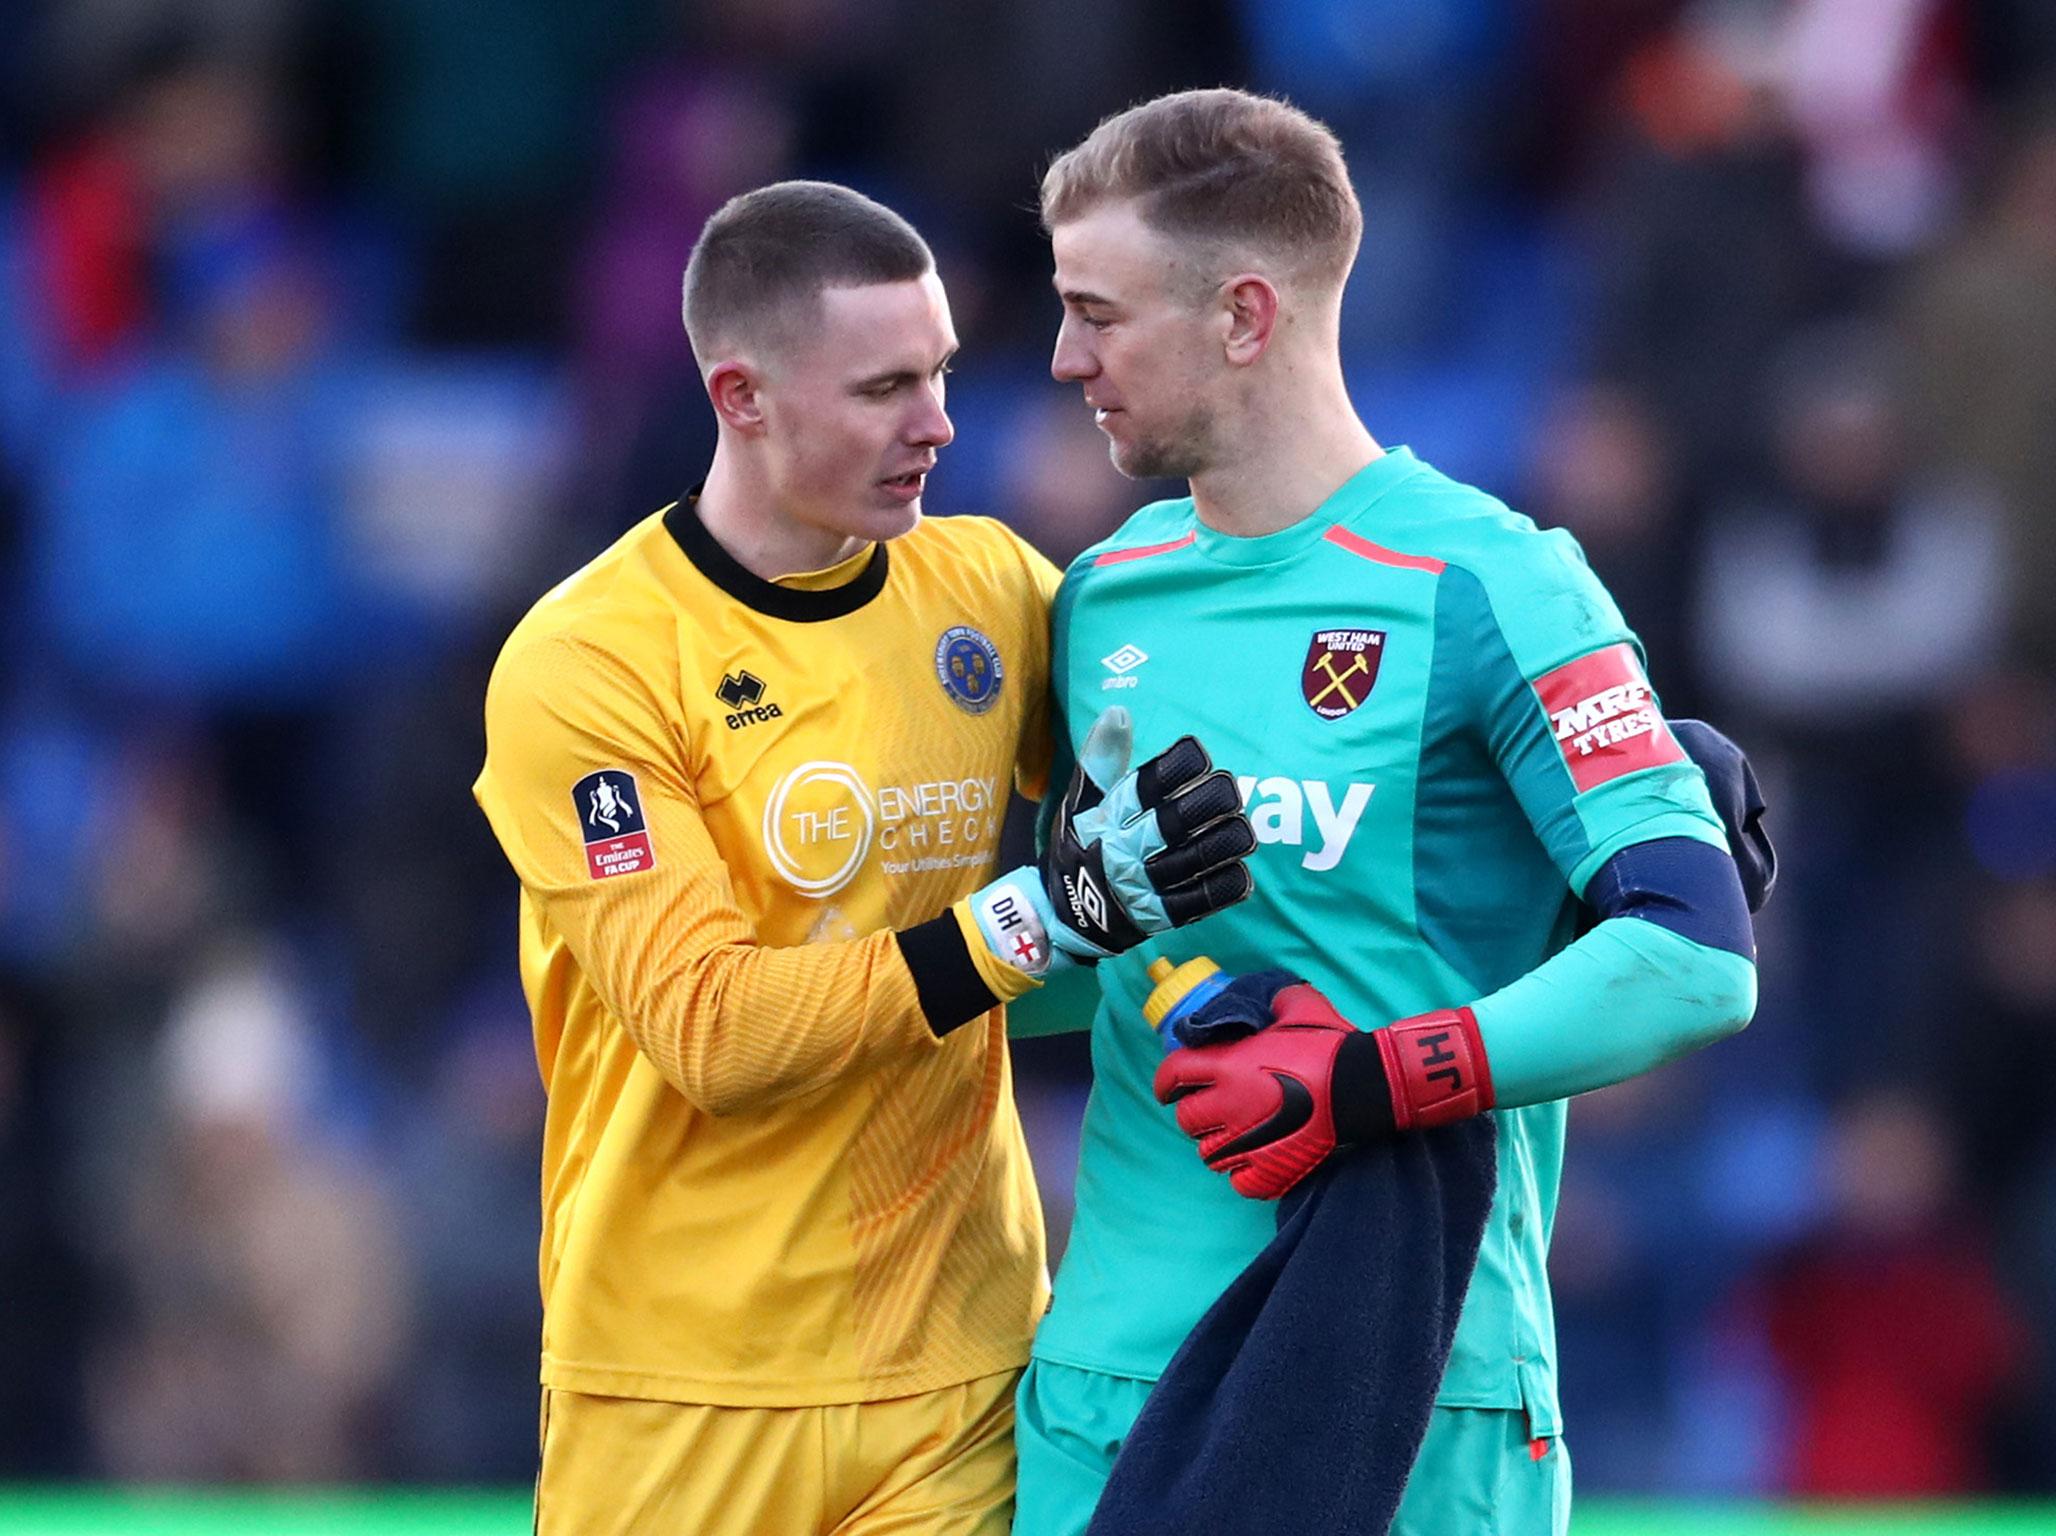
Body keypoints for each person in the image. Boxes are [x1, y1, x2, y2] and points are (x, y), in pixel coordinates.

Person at [1012, 89, 1760, 1536]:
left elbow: (1693, 955)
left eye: (1099, 314)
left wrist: (1366, 1079)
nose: (1064, 360)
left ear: (1243, 315)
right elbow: (1094, 985)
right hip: (1110, 1384)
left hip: (1420, 1393)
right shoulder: (1101, 596)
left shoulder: (1493, 585)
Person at [471, 180, 1254, 1536]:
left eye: (942, 373)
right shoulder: (587, 663)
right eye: (885, 387)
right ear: (742, 396)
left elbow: (1244, 781)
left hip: (952, 1383)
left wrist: (1577, 769)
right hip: (678, 1395)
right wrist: (1037, 919)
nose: (938, 424)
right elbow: (709, 1029)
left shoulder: (990, 591)